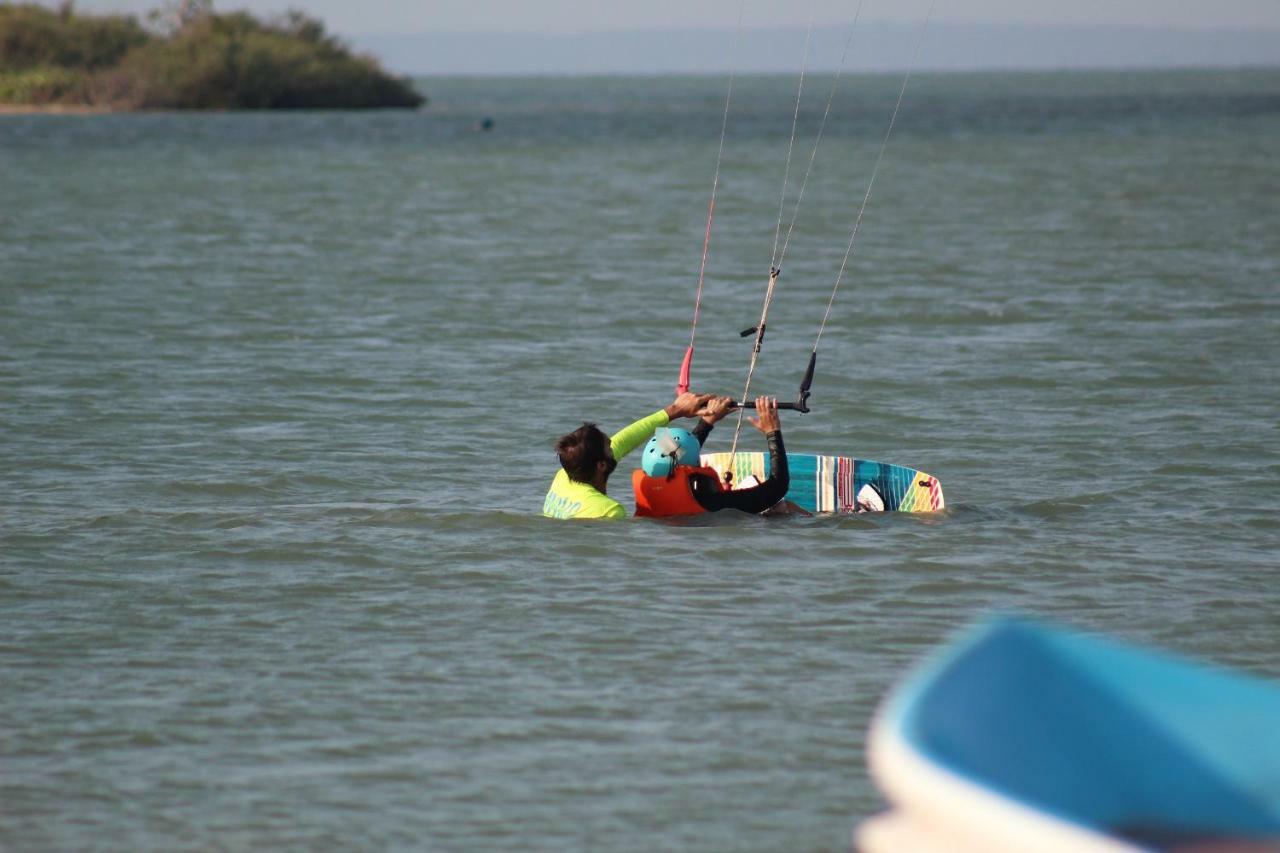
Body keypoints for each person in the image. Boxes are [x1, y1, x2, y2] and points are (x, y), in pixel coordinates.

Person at [542, 391, 712, 520]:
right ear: (601, 465)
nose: (613, 444)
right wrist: (707, 422)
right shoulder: (608, 511)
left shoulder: (564, 476)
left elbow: (626, 439)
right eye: (608, 446)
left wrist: (676, 410)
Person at [632, 395, 791, 517]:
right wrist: (772, 432)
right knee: (782, 508)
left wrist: (707, 421)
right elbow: (777, 486)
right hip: (712, 521)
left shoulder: (649, 495)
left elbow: (682, 457)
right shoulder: (712, 503)